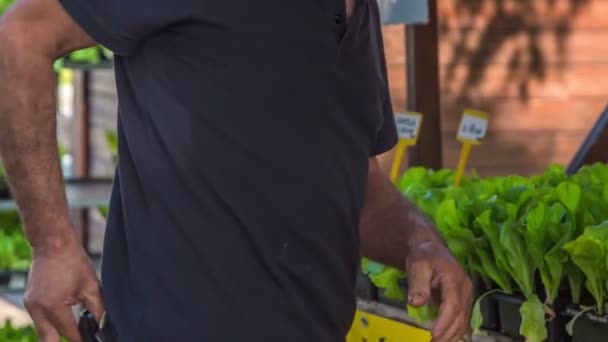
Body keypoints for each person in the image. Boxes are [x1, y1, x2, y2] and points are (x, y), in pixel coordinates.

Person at [0, 0, 473, 341]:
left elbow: (358, 185)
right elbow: (21, 37)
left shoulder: (359, 16)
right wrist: (52, 244)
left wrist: (420, 242)